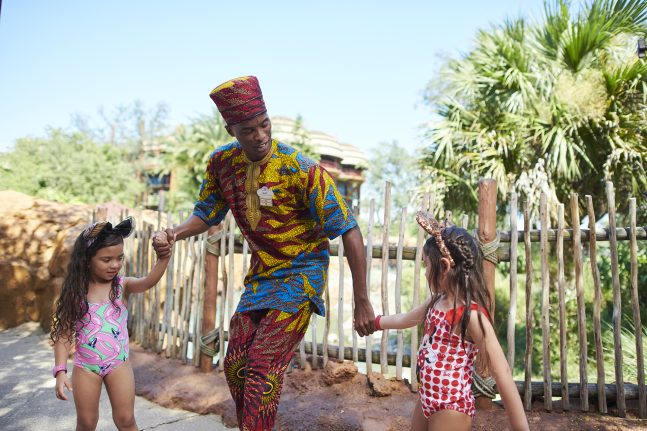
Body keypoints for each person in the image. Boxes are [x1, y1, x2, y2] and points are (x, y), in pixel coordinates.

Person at [152, 75, 376, 431]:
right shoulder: (221, 165)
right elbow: (207, 212)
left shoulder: (300, 169)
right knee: (236, 367)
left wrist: (362, 300)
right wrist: (174, 233)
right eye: (248, 130)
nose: (259, 135)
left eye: (264, 124)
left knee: (261, 367)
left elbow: (348, 228)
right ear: (231, 130)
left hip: (301, 275)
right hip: (261, 278)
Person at [375, 212, 528, 431]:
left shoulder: (471, 315)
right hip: (426, 399)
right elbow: (406, 318)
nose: (426, 272)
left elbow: (502, 372)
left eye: (428, 265)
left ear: (445, 266)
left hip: (451, 407)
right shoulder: (437, 300)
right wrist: (376, 322)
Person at [51, 217, 174, 431]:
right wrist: (60, 371)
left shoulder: (121, 286)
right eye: (106, 259)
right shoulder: (76, 291)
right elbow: (63, 333)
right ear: (87, 259)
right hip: (86, 367)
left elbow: (148, 281)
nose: (115, 265)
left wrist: (163, 258)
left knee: (126, 420)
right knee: (87, 423)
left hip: (118, 364)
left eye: (119, 258)